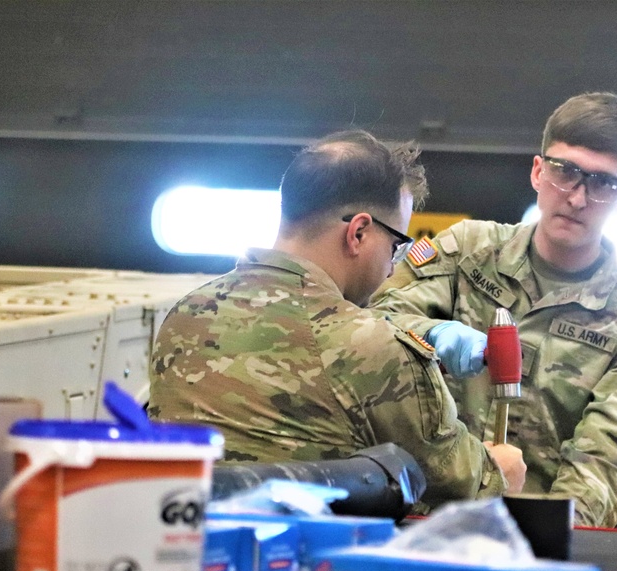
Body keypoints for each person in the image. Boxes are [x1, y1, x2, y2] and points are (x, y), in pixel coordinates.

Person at [147, 129, 525, 510]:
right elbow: (462, 484)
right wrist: (501, 470)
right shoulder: (374, 347)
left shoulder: (185, 314)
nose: (392, 269)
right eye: (396, 246)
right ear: (358, 232)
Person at [370, 92, 617, 527]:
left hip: (529, 541)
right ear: (538, 171)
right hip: (418, 522)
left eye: (603, 184)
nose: (577, 197)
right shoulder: (465, 251)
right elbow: (369, 330)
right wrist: (432, 335)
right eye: (565, 172)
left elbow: (599, 477)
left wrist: (536, 545)